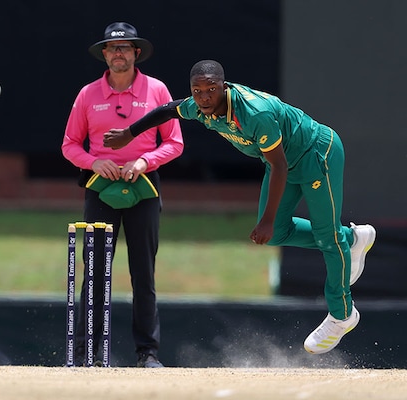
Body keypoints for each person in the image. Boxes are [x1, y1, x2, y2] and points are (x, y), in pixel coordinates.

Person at [103, 59, 376, 355]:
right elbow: (168, 110)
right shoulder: (199, 107)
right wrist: (129, 133)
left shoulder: (254, 113)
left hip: (315, 154)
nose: (205, 97)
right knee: (283, 234)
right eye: (198, 91)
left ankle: (342, 314)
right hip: (285, 162)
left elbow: (279, 166)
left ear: (224, 86)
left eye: (211, 89)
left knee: (324, 235)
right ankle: (351, 240)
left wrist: (267, 220)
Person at [62, 22, 184, 367]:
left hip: (143, 188)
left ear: (136, 53)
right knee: (96, 271)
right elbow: (70, 145)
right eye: (113, 48)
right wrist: (95, 162)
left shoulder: (157, 90)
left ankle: (147, 353)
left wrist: (145, 161)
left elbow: (174, 142)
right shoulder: (88, 95)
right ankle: (88, 353)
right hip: (101, 189)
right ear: (104, 54)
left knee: (143, 273)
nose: (118, 54)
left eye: (125, 48)